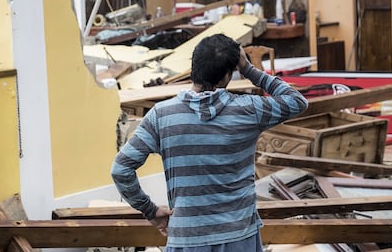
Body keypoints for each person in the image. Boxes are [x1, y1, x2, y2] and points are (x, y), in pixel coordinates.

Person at [111, 33, 308, 251]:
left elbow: (121, 169)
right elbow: (296, 101)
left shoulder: (162, 116)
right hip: (238, 237)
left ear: (194, 67)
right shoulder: (249, 109)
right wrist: (248, 69)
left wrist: (150, 210)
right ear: (226, 76)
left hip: (187, 239)